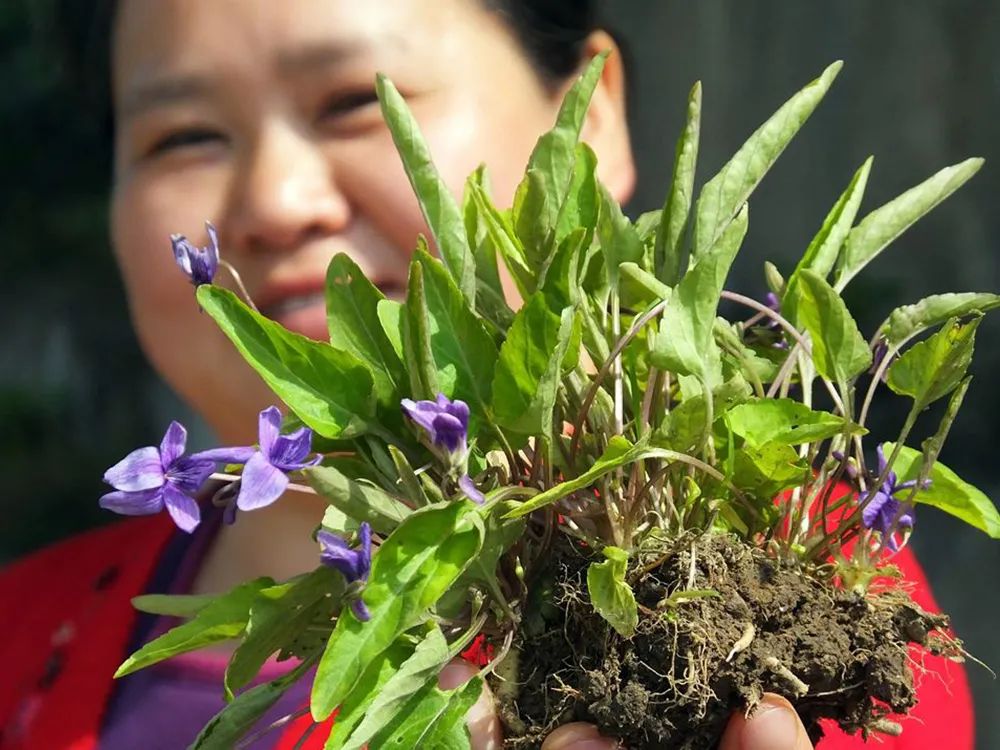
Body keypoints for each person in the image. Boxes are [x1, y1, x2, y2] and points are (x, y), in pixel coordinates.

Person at [0, 1, 973, 748]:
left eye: (353, 101)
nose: (274, 201)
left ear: (585, 121)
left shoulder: (789, 607)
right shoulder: (21, 635)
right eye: (182, 136)